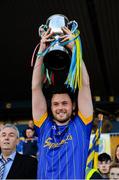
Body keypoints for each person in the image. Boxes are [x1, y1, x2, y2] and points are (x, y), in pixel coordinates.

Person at [32, 26, 93, 179]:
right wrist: (42, 51)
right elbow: (36, 88)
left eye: (64, 103)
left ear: (73, 106)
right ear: (50, 107)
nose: (60, 108)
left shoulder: (81, 126)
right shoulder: (44, 126)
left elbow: (85, 84)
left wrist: (75, 51)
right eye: (56, 104)